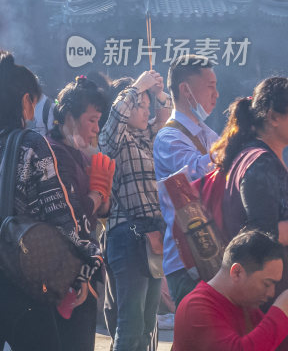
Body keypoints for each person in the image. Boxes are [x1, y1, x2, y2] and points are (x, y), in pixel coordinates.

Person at [0, 51, 103, 351]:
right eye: (34, 100)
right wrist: (84, 267)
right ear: (25, 101)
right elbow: (59, 213)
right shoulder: (31, 145)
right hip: (17, 283)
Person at [100, 70, 172, 351]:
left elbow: (166, 114)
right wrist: (136, 88)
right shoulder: (118, 140)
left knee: (146, 325)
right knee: (129, 325)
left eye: (146, 106)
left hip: (152, 236)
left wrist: (158, 93)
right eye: (140, 106)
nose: (146, 111)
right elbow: (110, 130)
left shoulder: (146, 137)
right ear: (127, 106)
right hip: (127, 235)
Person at [47, 75, 113, 351]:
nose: (96, 129)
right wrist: (97, 194)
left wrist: (103, 198)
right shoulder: (52, 153)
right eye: (92, 120)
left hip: (84, 268)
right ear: (69, 118)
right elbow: (72, 217)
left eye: (99, 121)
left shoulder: (79, 155)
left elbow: (99, 214)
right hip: (61, 272)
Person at [154, 54, 219, 308]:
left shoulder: (206, 133)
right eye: (210, 87)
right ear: (185, 89)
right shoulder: (168, 137)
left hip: (211, 253)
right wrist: (229, 148)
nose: (216, 94)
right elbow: (195, 175)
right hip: (186, 260)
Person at [173, 229, 288, 351]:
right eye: (267, 284)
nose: (272, 293)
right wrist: (281, 312)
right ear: (237, 272)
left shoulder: (245, 305)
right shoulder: (195, 307)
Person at [211, 77, 288, 254]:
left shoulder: (252, 155)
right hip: (268, 277)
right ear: (273, 117)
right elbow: (262, 233)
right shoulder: (261, 162)